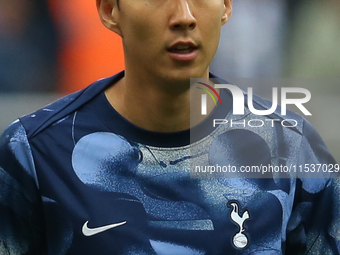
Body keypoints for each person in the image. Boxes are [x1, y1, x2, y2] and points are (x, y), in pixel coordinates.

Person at [0, 0, 339, 254]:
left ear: (226, 7)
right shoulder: (34, 153)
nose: (184, 16)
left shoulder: (291, 149)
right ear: (109, 11)